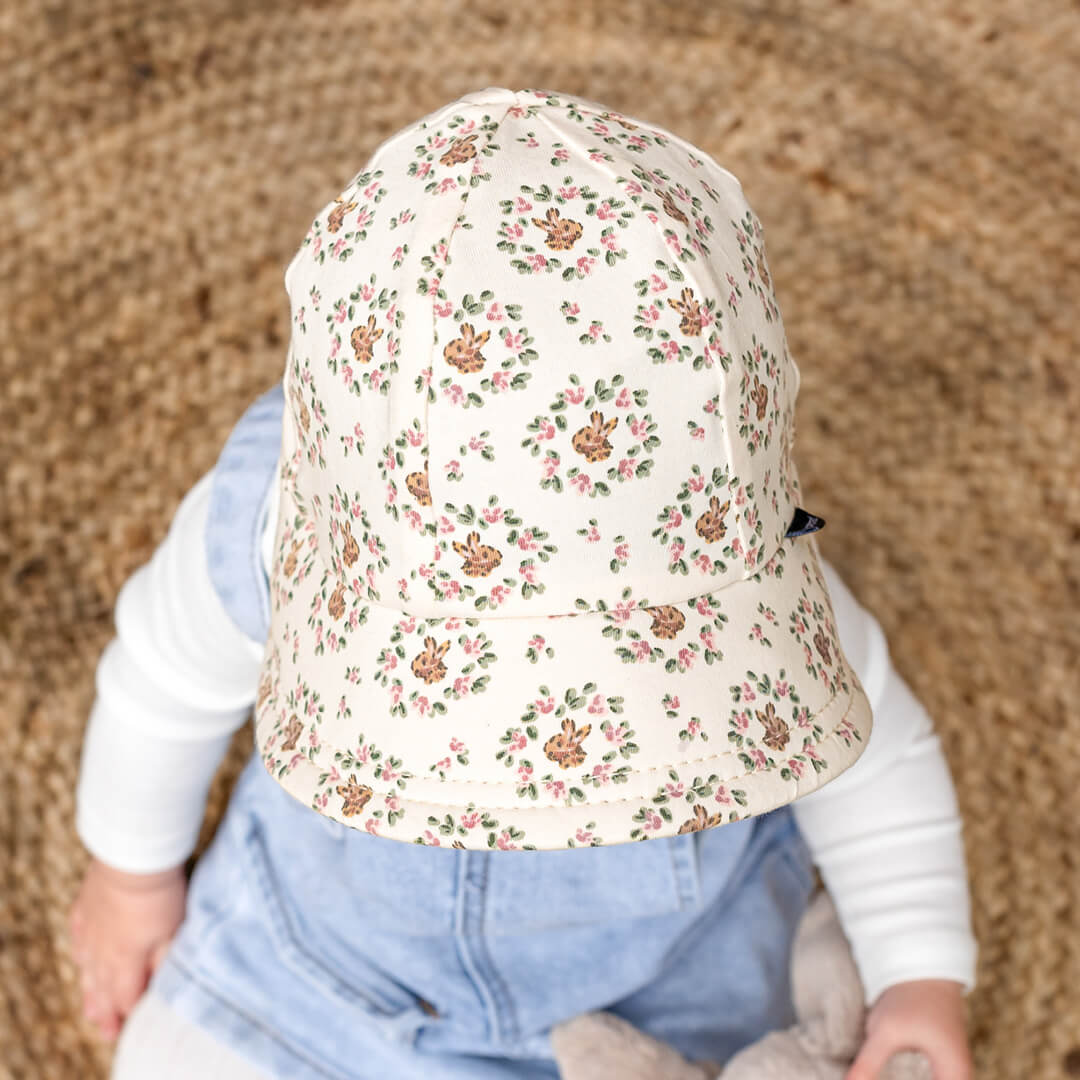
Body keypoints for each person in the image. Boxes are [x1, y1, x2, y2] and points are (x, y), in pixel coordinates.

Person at [68, 87, 976, 1080]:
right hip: (324, 976)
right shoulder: (274, 526)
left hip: (661, 996)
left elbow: (879, 760)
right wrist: (130, 877)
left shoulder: (743, 569)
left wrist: (917, 971)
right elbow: (161, 684)